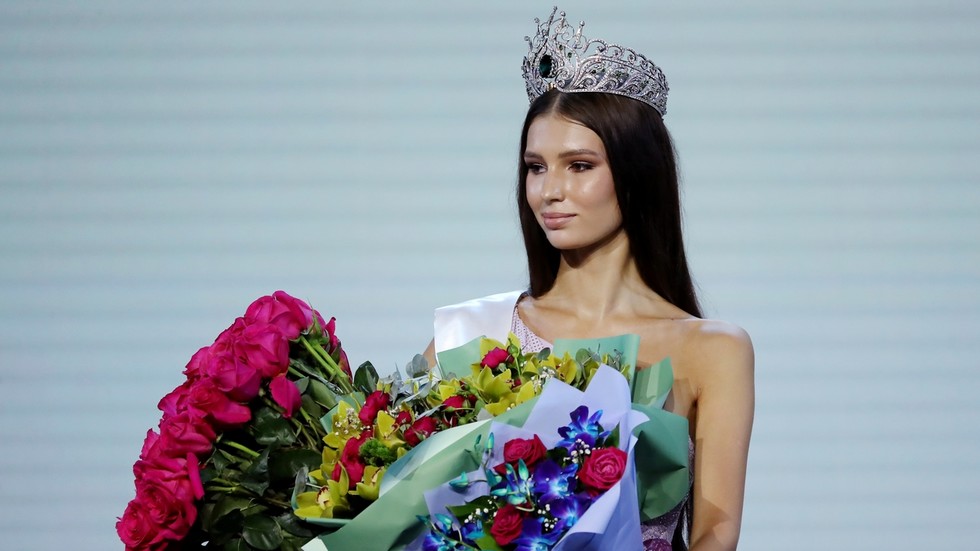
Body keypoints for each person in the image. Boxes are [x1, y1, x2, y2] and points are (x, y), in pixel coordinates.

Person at [424, 8, 754, 551]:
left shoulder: (712, 350)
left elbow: (715, 534)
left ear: (635, 172)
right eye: (536, 167)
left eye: (578, 166)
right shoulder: (469, 333)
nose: (548, 191)